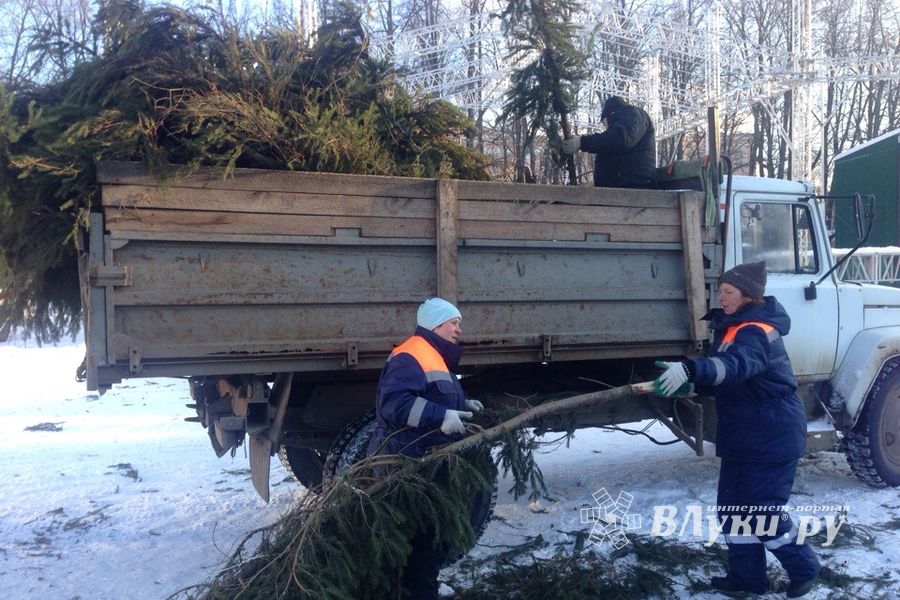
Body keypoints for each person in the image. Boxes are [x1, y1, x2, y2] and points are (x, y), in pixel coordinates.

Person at [654, 261, 820, 598]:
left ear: (748, 295)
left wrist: (690, 369)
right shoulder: (732, 327)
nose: (721, 297)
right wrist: (693, 384)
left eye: (728, 292)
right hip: (745, 433)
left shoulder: (756, 330)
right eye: (720, 291)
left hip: (772, 433)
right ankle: (747, 580)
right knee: (733, 509)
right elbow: (731, 378)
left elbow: (737, 364)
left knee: (762, 511)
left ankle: (805, 567)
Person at [367, 297, 483, 600]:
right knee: (419, 545)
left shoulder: (434, 355)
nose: (459, 329)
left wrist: (461, 405)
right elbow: (394, 404)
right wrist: (441, 415)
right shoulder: (411, 354)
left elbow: (430, 395)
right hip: (407, 464)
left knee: (429, 544)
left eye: (459, 323)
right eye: (453, 323)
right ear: (435, 324)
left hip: (424, 464)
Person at [561, 95, 657, 189]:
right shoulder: (630, 118)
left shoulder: (631, 114)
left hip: (631, 185)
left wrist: (582, 142)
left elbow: (620, 139)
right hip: (623, 184)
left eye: (604, 123)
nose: (605, 127)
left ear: (609, 115)